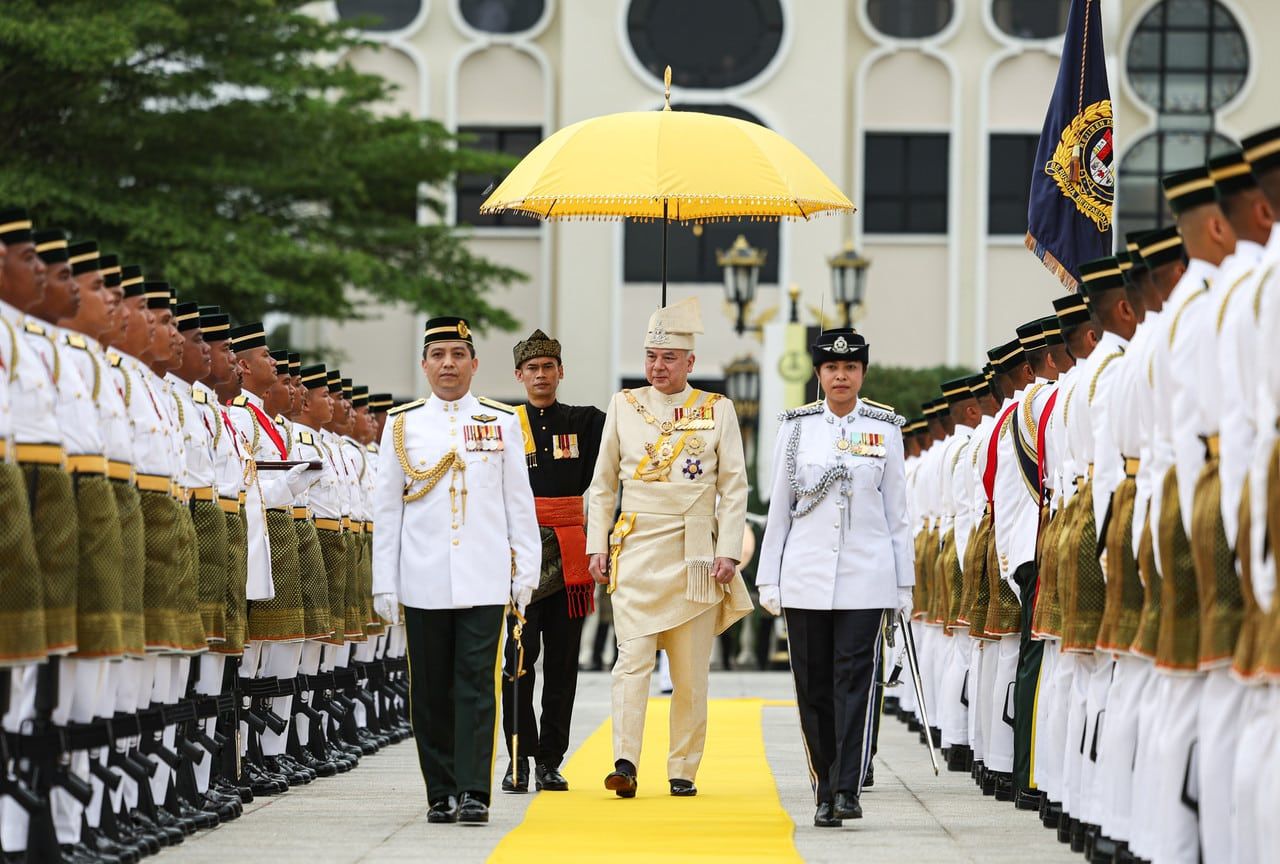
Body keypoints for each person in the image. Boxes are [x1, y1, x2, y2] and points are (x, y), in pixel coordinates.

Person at [371, 316, 540, 826]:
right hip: (422, 577)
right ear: (424, 364)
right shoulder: (402, 425)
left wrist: (524, 572)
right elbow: (387, 509)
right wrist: (385, 581)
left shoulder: (502, 420)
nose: (448, 364)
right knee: (429, 689)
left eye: (458, 355)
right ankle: (439, 790)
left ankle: (473, 791)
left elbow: (518, 503)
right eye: (438, 355)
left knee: (475, 684)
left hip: (483, 576)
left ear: (474, 363)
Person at [585, 296, 752, 799]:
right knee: (630, 660)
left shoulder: (717, 410)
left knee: (689, 673)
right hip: (635, 546)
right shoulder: (624, 404)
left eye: (669, 358)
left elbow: (735, 486)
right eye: (651, 357)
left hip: (696, 551)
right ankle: (624, 761)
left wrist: (729, 549)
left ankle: (683, 767)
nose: (658, 367)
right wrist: (597, 543)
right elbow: (602, 484)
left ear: (690, 363)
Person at [755, 328, 913, 827]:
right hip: (804, 574)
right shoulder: (797, 428)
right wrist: (769, 579)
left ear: (862, 373)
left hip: (866, 576)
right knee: (813, 683)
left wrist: (903, 585)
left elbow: (898, 514)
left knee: (854, 679)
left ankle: (846, 787)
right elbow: (779, 508)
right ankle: (823, 781)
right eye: (831, 368)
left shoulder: (885, 428)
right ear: (819, 374)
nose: (840, 376)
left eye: (849, 368)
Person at [500, 329, 605, 794]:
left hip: (570, 556)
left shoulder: (586, 422)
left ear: (561, 372)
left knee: (563, 665)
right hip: (520, 554)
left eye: (548, 367)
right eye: (532, 368)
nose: (540, 375)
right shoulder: (503, 425)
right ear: (519, 375)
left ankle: (549, 760)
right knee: (518, 662)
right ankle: (518, 758)